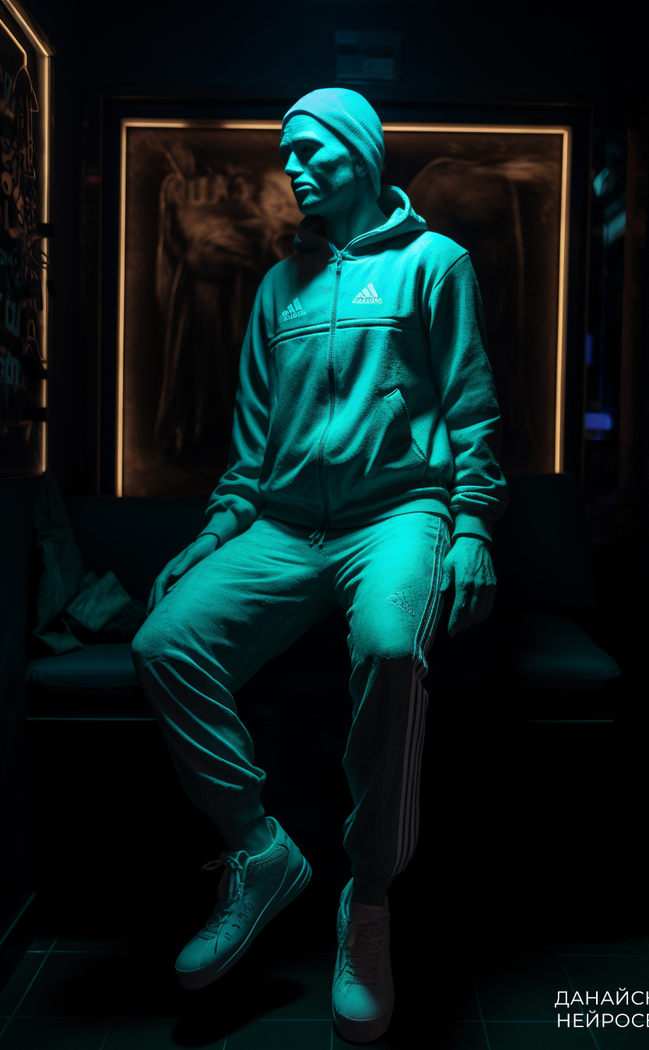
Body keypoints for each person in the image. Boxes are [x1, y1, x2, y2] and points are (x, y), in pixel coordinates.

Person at [131, 86, 508, 1044]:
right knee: (164, 642)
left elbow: (471, 408)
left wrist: (472, 526)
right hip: (283, 525)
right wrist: (212, 535)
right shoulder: (276, 289)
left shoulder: (434, 264)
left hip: (398, 515)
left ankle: (368, 899)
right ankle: (259, 852)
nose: (293, 168)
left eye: (312, 151)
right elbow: (252, 446)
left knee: (389, 646)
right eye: (286, 153)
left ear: (361, 153)